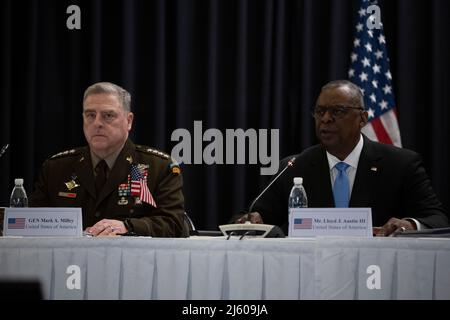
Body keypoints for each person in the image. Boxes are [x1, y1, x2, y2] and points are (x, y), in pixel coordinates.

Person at [233, 80, 449, 236]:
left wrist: (410, 224)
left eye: (337, 111)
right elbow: (250, 216)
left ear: (362, 118)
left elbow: (437, 219)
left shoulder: (401, 164)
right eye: (320, 112)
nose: (326, 119)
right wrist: (250, 221)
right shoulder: (294, 167)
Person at [30, 82, 187, 237]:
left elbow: (173, 223)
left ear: (129, 121)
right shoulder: (56, 168)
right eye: (90, 115)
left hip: (131, 260)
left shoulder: (158, 167)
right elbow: (30, 223)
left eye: (108, 116)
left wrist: (128, 226)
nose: (97, 123)